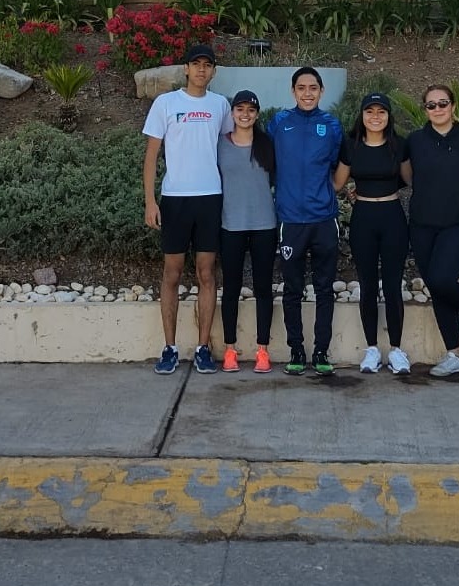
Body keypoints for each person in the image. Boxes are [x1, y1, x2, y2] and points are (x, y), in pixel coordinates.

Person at [143, 43, 232, 375]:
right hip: (175, 200)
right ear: (185, 68)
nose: (201, 70)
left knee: (207, 274)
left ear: (213, 71)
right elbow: (151, 155)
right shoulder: (166, 103)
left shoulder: (220, 105)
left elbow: (227, 150)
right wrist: (151, 201)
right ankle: (169, 348)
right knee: (172, 274)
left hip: (210, 197)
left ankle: (203, 348)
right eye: (196, 64)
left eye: (207, 65)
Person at [401, 85, 459, 377]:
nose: (437, 109)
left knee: (441, 278)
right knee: (436, 287)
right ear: (425, 109)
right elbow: (406, 176)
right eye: (431, 105)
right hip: (422, 225)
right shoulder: (415, 141)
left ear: (453, 106)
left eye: (443, 103)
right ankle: (455, 355)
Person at [271, 66, 344, 375]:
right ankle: (297, 349)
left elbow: (340, 166)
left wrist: (332, 191)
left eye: (313, 87)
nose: (307, 93)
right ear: (293, 92)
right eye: (301, 88)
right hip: (291, 220)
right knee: (292, 289)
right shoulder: (278, 123)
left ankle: (321, 351)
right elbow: (268, 162)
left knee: (325, 289)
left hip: (324, 219)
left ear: (321, 91)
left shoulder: (331, 126)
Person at [334, 91, 411, 374]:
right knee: (367, 286)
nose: (375, 117)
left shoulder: (399, 146)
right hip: (363, 219)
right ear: (362, 115)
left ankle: (397, 350)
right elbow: (337, 184)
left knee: (392, 286)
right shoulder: (351, 146)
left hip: (392, 217)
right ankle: (371, 350)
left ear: (388, 117)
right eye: (370, 111)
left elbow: (409, 179)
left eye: (381, 112)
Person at [218, 89, 278, 373]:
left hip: (264, 225)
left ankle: (262, 350)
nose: (245, 114)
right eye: (240, 109)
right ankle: (230, 349)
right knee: (230, 289)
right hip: (231, 226)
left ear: (256, 114)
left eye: (250, 110)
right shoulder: (220, 145)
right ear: (232, 113)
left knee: (263, 289)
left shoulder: (268, 145)